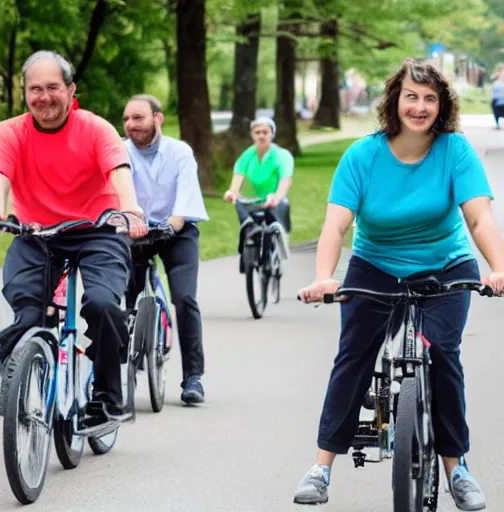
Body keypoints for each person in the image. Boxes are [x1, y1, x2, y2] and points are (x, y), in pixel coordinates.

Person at [294, 58, 504, 510]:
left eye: (430, 98)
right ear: (395, 100)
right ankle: (321, 468)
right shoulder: (363, 155)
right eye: (411, 96)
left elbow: (479, 216)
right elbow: (335, 227)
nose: (420, 106)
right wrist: (324, 278)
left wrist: (499, 266)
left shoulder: (455, 151)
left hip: (445, 266)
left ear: (442, 105)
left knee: (443, 353)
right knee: (353, 354)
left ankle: (457, 469)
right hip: (375, 266)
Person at [0, 51, 147, 425]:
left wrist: (131, 211)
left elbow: (119, 170)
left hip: (97, 231)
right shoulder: (8, 132)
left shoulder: (95, 128)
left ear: (70, 89)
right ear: (25, 92)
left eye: (52, 88)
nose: (43, 97)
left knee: (103, 305)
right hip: (37, 234)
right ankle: (21, 380)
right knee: (27, 312)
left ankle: (108, 396)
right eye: (35, 89)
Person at [122, 94, 209, 405]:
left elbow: (185, 199)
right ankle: (120, 373)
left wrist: (172, 224)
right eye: (127, 119)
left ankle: (193, 377)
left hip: (177, 231)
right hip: (135, 231)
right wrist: (129, 222)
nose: (131, 125)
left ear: (157, 119)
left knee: (184, 299)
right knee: (123, 300)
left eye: (138, 118)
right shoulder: (119, 152)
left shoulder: (180, 152)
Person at [223, 117, 294, 270]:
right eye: (257, 132)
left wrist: (277, 197)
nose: (261, 135)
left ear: (272, 134)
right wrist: (232, 192)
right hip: (255, 201)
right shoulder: (248, 155)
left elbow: (285, 180)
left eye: (265, 132)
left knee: (282, 207)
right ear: (252, 135)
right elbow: (238, 176)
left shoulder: (282, 155)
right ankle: (248, 231)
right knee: (239, 202)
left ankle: (278, 250)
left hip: (274, 199)